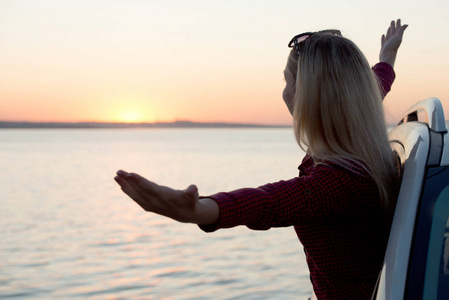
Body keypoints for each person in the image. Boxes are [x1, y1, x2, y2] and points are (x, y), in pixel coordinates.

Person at [114, 19, 408, 299]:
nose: (284, 92)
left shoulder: (338, 183)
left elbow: (270, 202)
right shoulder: (359, 148)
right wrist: (386, 59)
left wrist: (202, 210)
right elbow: (373, 86)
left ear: (308, 95)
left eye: (288, 81)